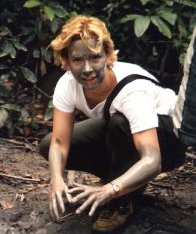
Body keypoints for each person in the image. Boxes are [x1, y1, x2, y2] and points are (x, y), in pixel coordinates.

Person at [39, 15, 190, 232]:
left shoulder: (133, 92)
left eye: (95, 58)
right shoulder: (68, 84)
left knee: (119, 123)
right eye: (78, 60)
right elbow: (59, 143)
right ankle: (122, 178)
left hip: (166, 143)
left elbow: (152, 160)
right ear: (66, 61)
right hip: (121, 132)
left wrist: (109, 190)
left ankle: (121, 199)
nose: (87, 68)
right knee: (47, 144)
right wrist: (56, 180)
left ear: (109, 56)